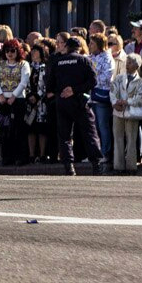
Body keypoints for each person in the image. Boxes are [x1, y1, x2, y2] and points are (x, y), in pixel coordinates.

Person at [48, 35, 104, 176]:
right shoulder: (84, 60)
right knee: (89, 133)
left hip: (62, 102)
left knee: (64, 135)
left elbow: (50, 85)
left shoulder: (57, 62)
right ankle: (96, 164)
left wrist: (62, 91)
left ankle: (69, 167)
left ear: (67, 47)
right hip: (80, 101)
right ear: (79, 48)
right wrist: (75, 89)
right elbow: (93, 81)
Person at [0, 41, 30, 166]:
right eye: (7, 51)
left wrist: (14, 95)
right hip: (3, 100)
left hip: (18, 100)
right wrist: (0, 95)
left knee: (18, 129)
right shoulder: (1, 64)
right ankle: (7, 157)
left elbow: (24, 82)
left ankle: (21, 157)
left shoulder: (23, 64)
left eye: (12, 51)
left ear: (18, 51)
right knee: (5, 130)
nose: (9, 53)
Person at [109, 53, 142, 174]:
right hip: (118, 112)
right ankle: (118, 166)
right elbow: (112, 91)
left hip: (132, 113)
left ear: (137, 65)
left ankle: (131, 166)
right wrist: (115, 103)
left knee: (132, 139)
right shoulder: (119, 78)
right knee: (118, 138)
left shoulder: (140, 82)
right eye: (127, 62)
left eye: (130, 62)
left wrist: (128, 102)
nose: (127, 64)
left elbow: (141, 97)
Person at [85, 34, 117, 169]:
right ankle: (95, 153)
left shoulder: (107, 58)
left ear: (99, 44)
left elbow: (107, 77)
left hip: (102, 97)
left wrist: (92, 77)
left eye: (92, 43)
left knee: (103, 127)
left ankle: (105, 153)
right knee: (94, 128)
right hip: (91, 97)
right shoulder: (89, 57)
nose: (89, 46)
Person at [25, 43, 51, 163]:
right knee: (30, 128)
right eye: (32, 51)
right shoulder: (27, 67)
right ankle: (30, 154)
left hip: (42, 103)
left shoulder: (45, 67)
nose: (33, 53)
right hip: (29, 102)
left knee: (42, 129)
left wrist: (38, 96)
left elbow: (47, 84)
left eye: (36, 51)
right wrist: (29, 95)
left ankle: (42, 154)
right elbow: (24, 82)